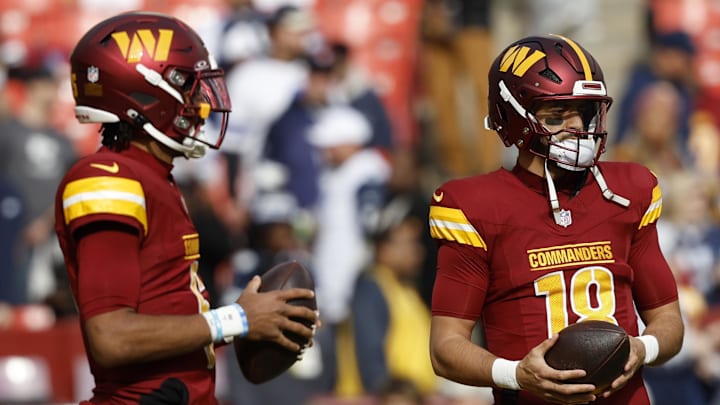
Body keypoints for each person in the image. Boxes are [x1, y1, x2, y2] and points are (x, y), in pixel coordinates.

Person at [53, 12, 318, 404]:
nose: (201, 103)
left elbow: (171, 320)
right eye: (188, 87)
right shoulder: (108, 178)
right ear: (144, 92)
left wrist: (257, 319)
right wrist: (238, 319)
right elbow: (111, 336)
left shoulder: (155, 177)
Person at [427, 34, 684, 405]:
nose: (578, 126)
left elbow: (670, 323)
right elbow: (445, 347)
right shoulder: (474, 205)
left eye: (585, 111)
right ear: (515, 118)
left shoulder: (630, 189)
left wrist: (642, 349)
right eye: (556, 115)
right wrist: (516, 374)